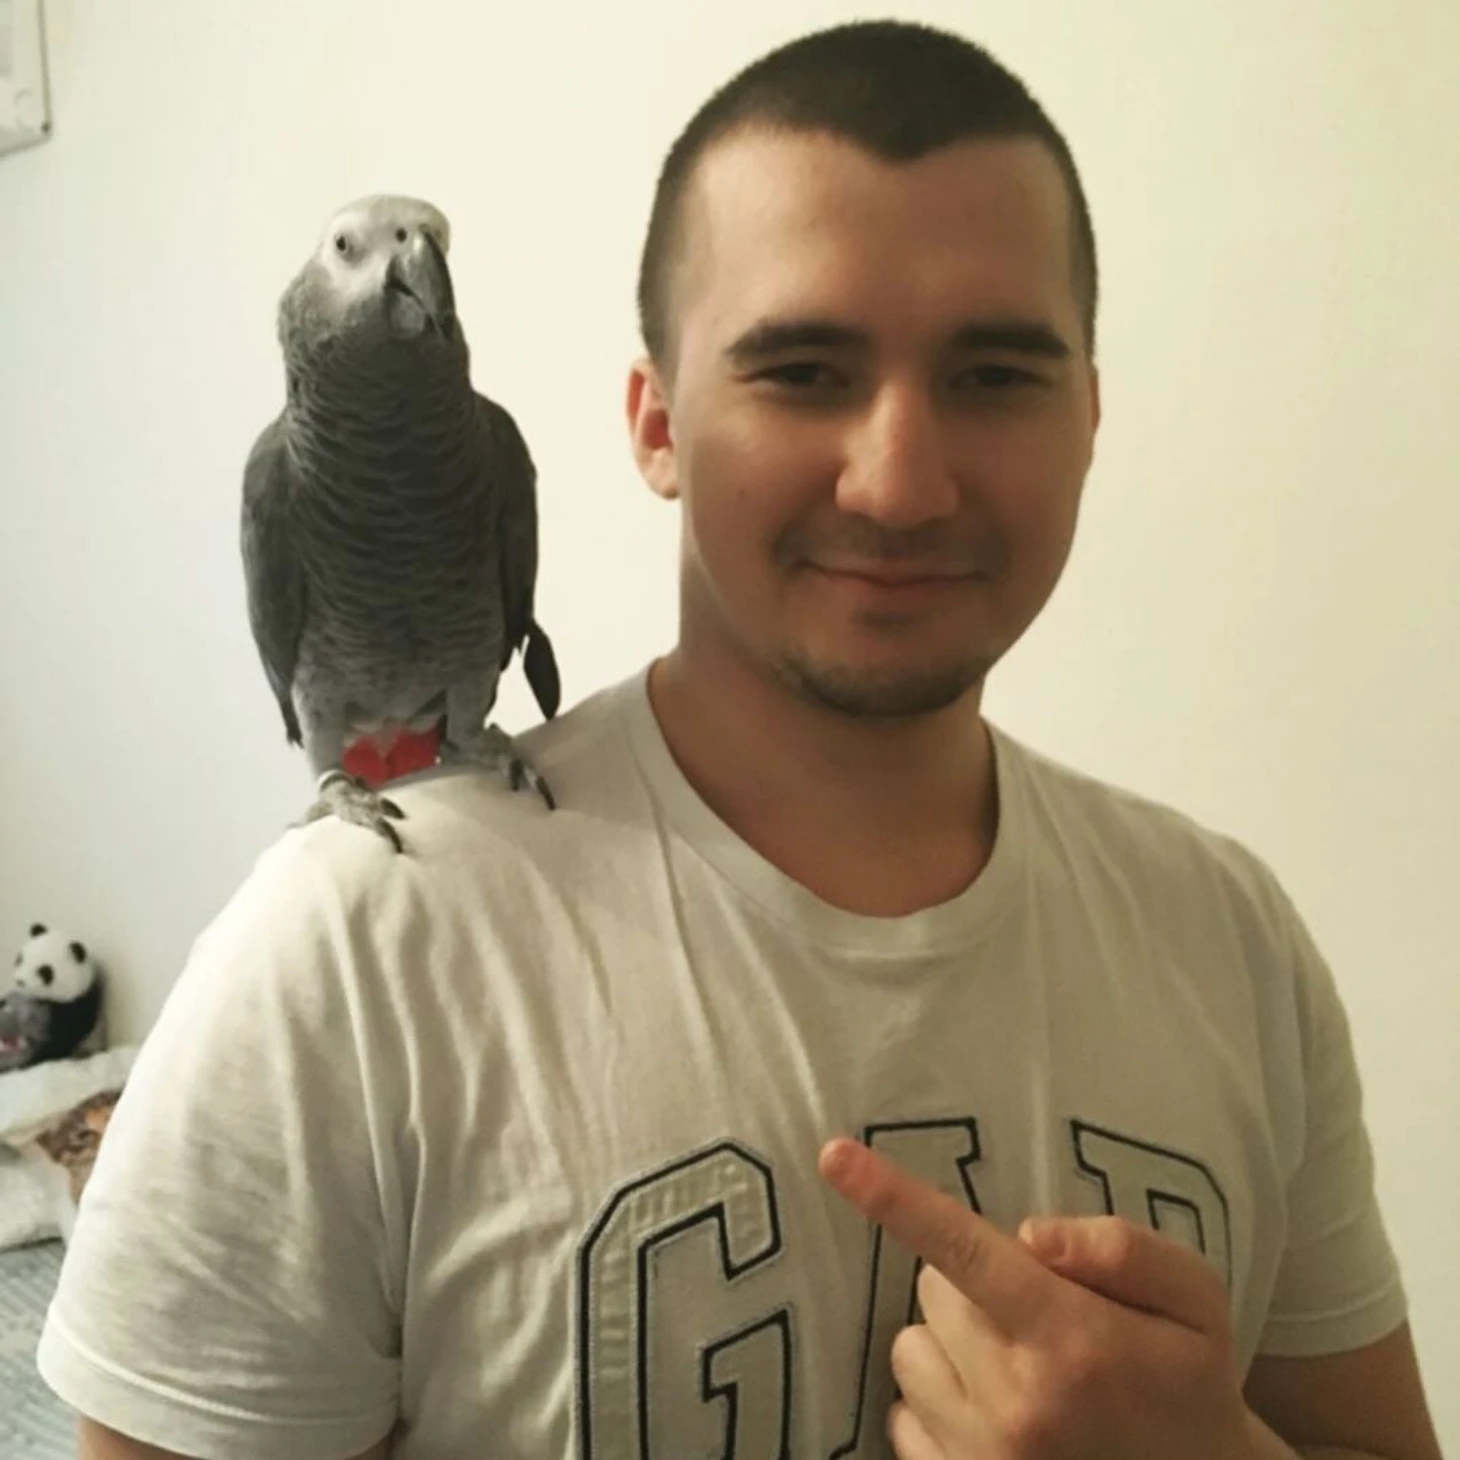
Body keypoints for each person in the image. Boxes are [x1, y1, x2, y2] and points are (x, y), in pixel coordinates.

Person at [39, 18, 1441, 1460]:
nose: (898, 485)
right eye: (803, 372)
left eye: (994, 376)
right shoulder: (338, 964)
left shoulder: (1238, 946)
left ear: (1089, 416)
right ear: (655, 423)